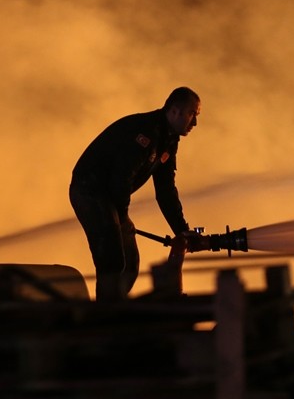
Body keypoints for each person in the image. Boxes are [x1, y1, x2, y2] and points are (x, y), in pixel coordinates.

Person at [69, 87, 207, 301]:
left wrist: (183, 231)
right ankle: (104, 319)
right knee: (113, 261)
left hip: (111, 199)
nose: (195, 123)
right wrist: (122, 217)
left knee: (130, 264)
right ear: (175, 111)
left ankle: (115, 310)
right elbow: (121, 178)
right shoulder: (146, 132)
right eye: (193, 114)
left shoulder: (168, 140)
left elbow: (166, 190)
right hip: (90, 192)